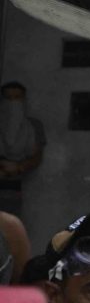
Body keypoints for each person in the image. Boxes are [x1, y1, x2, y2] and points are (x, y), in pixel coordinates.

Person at [0, 80, 46, 216]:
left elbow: (36, 157)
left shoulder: (33, 126)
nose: (13, 103)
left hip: (14, 190)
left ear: (24, 100)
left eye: (17, 98)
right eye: (8, 98)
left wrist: (18, 167)